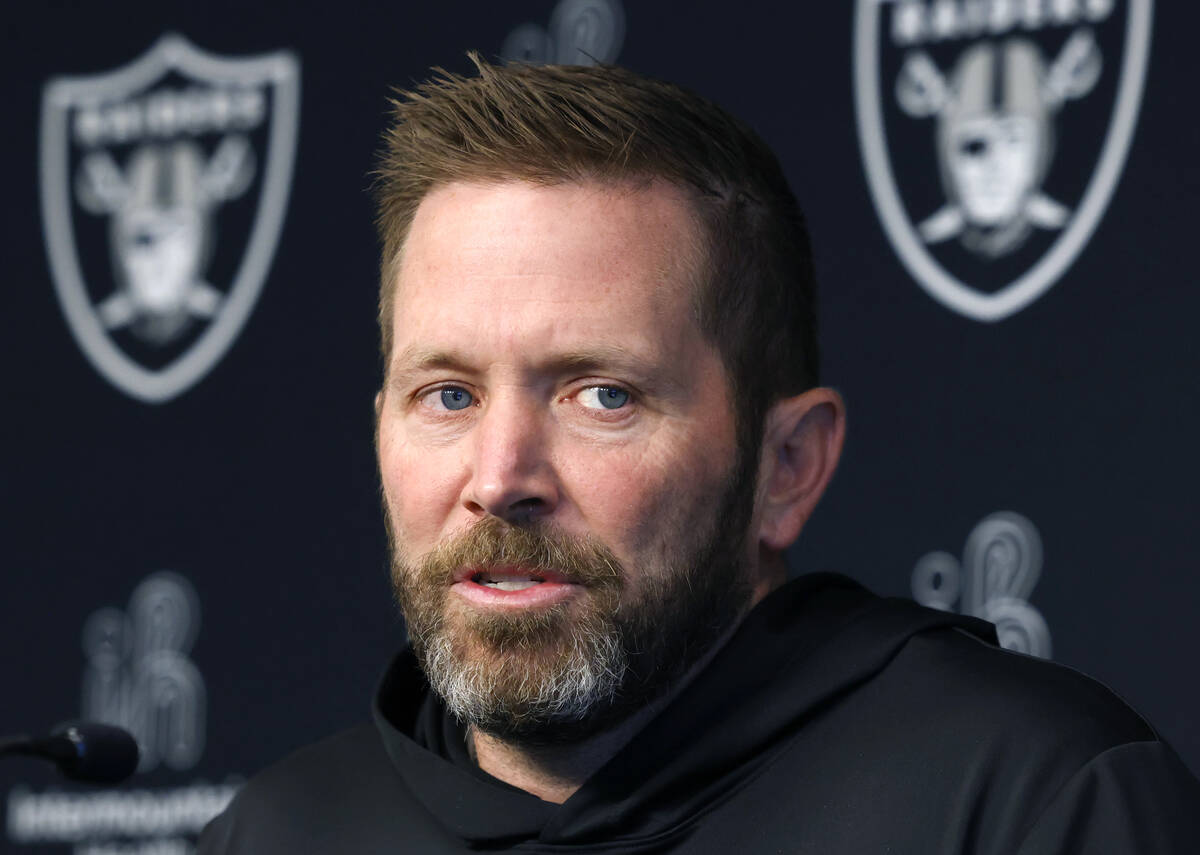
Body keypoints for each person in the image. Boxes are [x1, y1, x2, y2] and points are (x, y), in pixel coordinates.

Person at [198, 56, 1200, 853]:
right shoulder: (276, 833)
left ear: (789, 466)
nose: (501, 476)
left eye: (602, 396)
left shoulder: (1029, 798)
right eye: (447, 396)